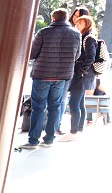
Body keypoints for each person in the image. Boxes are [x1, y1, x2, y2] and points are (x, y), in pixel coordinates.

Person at [23, 9, 81, 149]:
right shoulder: (76, 34)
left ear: (53, 18)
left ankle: (33, 140)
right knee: (55, 107)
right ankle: (49, 139)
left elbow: (32, 54)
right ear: (67, 18)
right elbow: (77, 55)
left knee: (38, 107)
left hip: (42, 74)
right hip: (62, 76)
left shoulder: (44, 32)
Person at [66, 14, 98, 138]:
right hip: (84, 75)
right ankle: (79, 129)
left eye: (80, 23)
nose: (76, 25)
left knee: (74, 102)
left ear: (87, 25)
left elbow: (91, 57)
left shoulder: (88, 38)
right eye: (76, 23)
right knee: (79, 103)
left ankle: (73, 131)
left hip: (82, 75)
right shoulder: (85, 37)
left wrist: (81, 69)